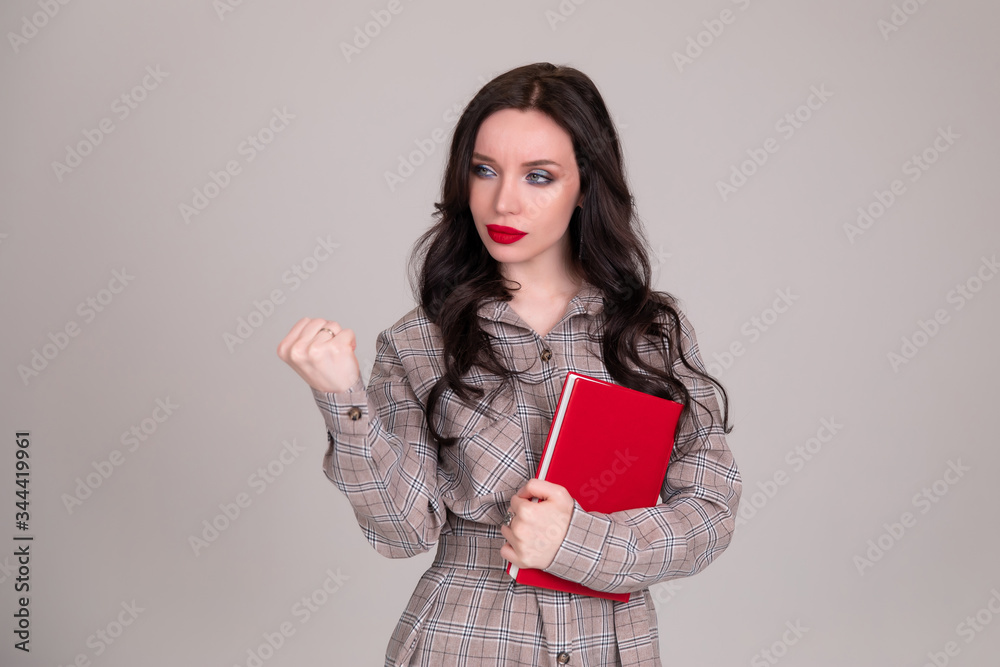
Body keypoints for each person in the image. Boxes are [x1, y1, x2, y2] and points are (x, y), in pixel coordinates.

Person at [277, 62, 742, 667]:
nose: (504, 201)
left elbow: (708, 515)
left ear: (586, 187)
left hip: (610, 646)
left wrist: (577, 542)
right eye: (485, 170)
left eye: (540, 176)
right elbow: (401, 532)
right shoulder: (421, 341)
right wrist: (344, 398)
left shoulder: (646, 336)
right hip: (463, 642)